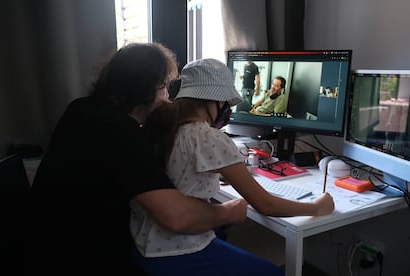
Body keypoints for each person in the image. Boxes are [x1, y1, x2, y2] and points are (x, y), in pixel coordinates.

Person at [27, 43, 248, 275]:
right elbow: (176, 217)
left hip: (45, 243)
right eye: (164, 87)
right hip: (83, 257)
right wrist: (228, 211)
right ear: (147, 88)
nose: (167, 97)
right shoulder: (119, 132)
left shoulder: (81, 109)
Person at [132, 58, 335, 275]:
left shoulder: (162, 125)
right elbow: (266, 205)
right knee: (271, 272)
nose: (227, 110)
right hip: (177, 251)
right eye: (227, 103)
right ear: (215, 101)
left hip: (142, 243)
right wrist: (317, 207)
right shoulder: (206, 136)